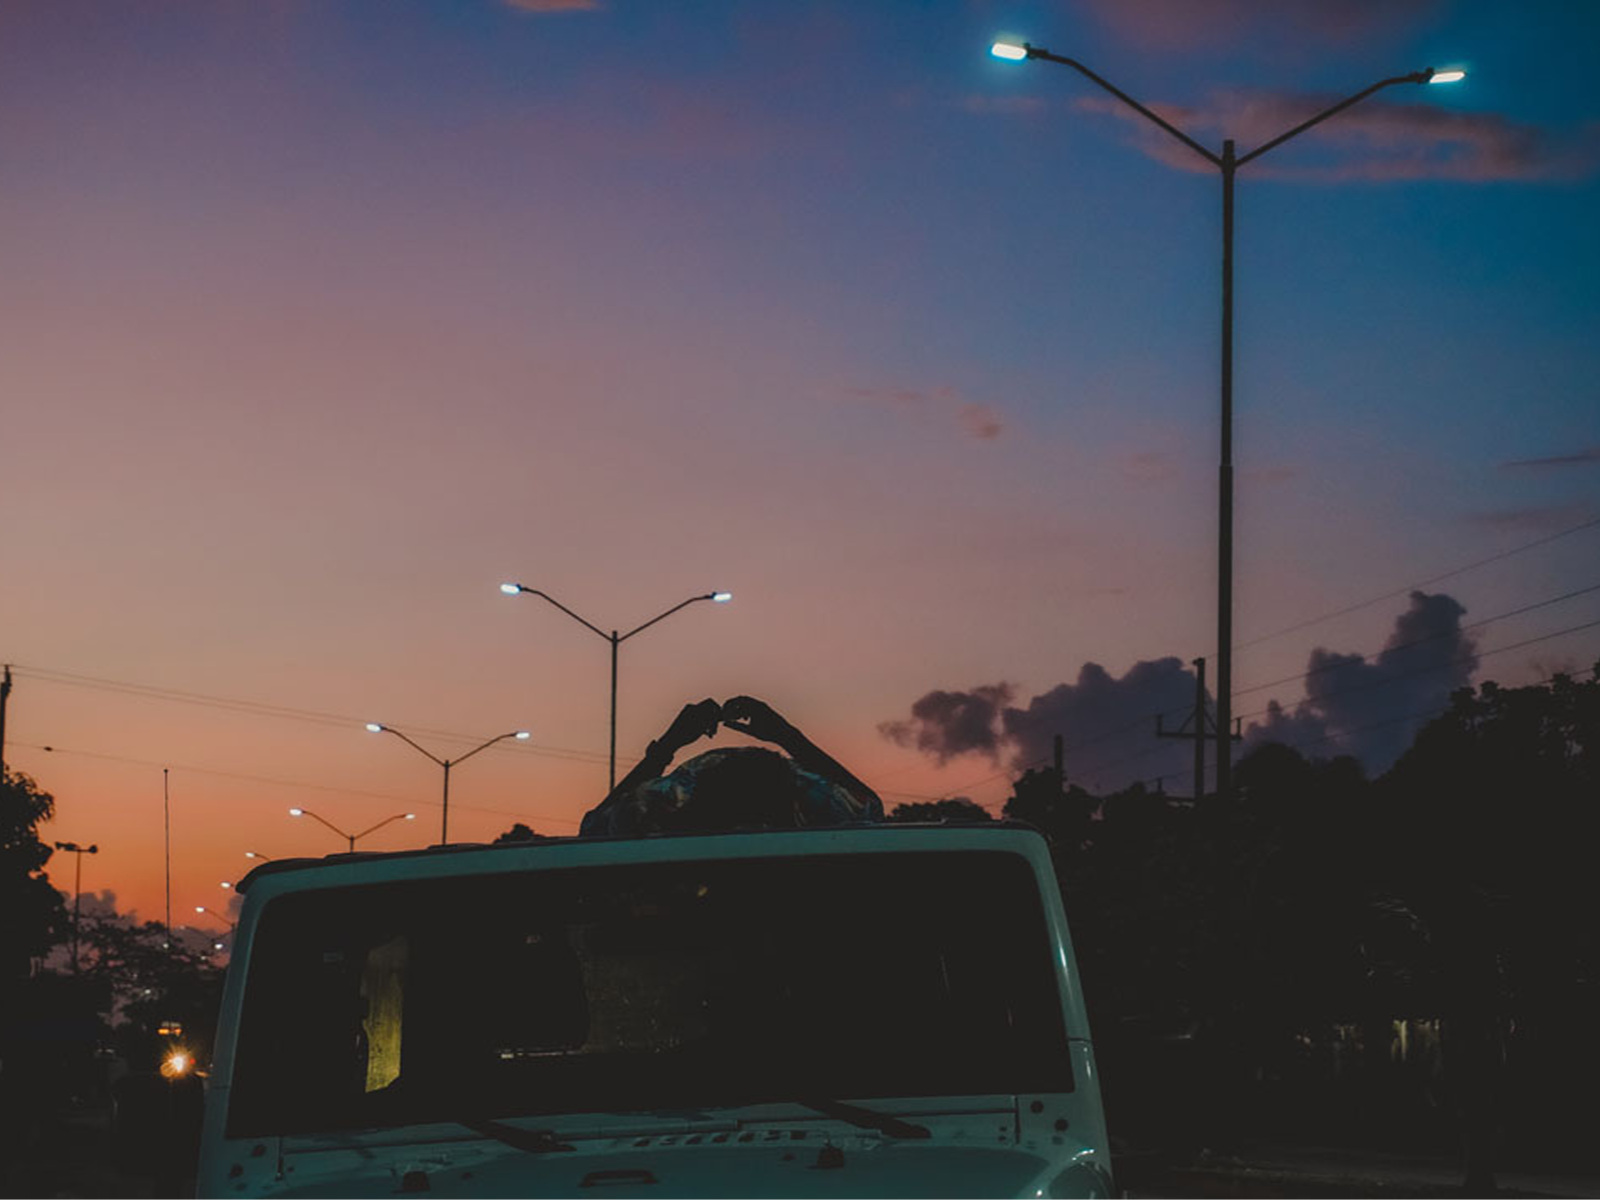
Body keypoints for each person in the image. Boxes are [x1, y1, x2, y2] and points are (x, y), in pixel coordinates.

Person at [579, 696, 884, 837]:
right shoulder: (808, 807)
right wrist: (789, 737)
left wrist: (669, 744)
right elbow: (870, 808)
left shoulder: (671, 806)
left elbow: (592, 830)